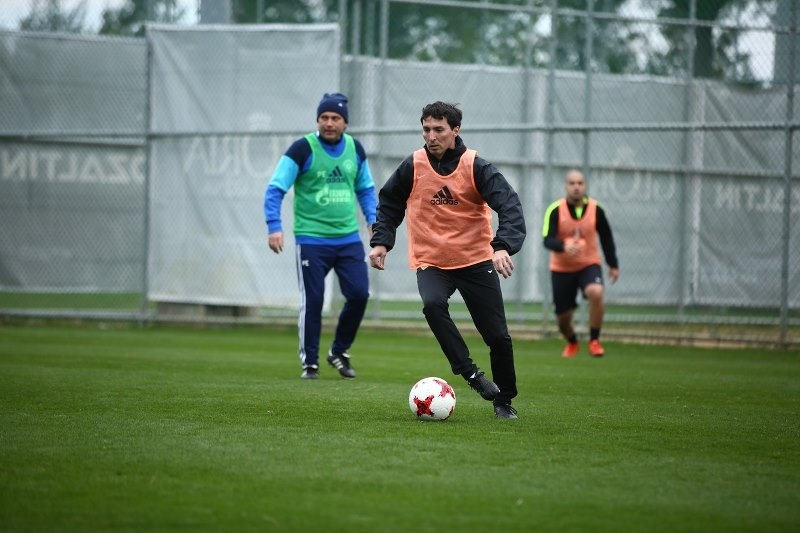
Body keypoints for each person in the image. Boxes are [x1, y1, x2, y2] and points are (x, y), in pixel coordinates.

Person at [368, 101, 526, 419]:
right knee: (432, 304)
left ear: (455, 130)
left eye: (438, 129)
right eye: (426, 129)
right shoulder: (413, 165)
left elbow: (509, 205)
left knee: (497, 336)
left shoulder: (475, 166)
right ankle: (470, 373)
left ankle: (504, 400)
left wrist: (502, 247)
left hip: (475, 260)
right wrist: (381, 241)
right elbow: (389, 202)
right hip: (432, 261)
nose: (431, 136)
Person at [264, 92, 377, 379]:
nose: (329, 123)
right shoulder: (302, 149)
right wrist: (274, 226)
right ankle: (310, 363)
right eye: (324, 117)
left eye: (335, 118)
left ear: (345, 123)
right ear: (317, 120)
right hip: (311, 240)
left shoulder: (355, 149)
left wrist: (373, 221)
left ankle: (339, 351)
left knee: (359, 294)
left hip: (348, 239)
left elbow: (365, 189)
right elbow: (275, 189)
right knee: (313, 301)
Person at [542, 169, 619, 358]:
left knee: (596, 291)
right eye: (572, 183)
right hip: (561, 269)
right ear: (566, 186)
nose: (576, 187)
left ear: (585, 186)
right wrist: (564, 246)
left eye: (580, 183)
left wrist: (613, 264)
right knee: (563, 319)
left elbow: (607, 238)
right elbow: (547, 240)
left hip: (588, 264)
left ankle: (594, 341)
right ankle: (572, 341)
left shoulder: (596, 209)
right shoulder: (555, 210)